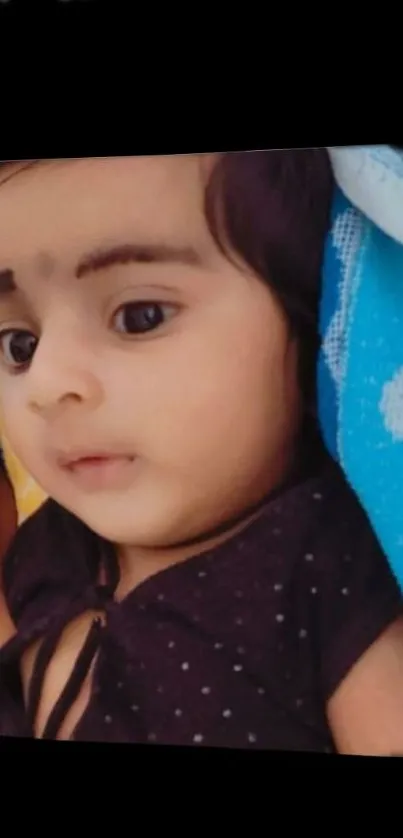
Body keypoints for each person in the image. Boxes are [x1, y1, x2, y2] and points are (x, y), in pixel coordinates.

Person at [0, 151, 402, 752]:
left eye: (139, 317)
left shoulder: (333, 573)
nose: (47, 383)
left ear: (312, 320)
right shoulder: (47, 547)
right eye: (18, 344)